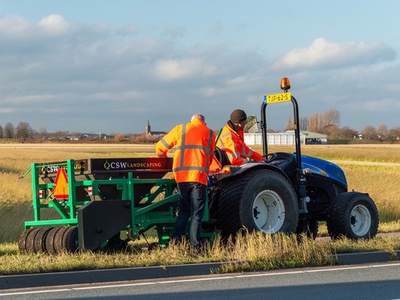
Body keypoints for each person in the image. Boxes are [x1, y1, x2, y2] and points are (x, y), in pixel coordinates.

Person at [156, 113, 216, 250]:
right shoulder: (210, 134)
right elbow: (210, 158)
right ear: (203, 123)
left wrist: (164, 159)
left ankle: (176, 240)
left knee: (183, 211)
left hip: (181, 177)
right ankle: (195, 245)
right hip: (198, 178)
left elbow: (159, 148)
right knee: (196, 213)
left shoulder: (180, 129)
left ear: (191, 121)